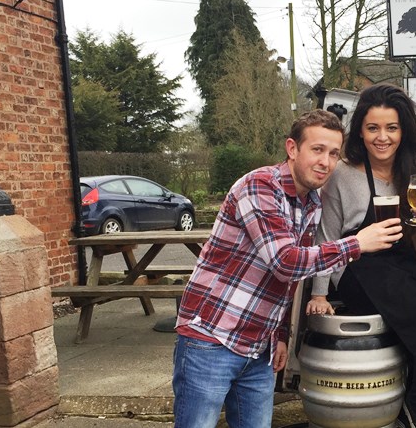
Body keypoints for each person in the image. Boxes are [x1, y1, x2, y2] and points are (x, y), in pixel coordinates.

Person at [172, 109, 403, 428]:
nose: (326, 161)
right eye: (317, 149)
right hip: (212, 336)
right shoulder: (261, 187)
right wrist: (356, 244)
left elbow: (283, 284)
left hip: (259, 347)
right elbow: (286, 262)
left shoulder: (311, 203)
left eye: (334, 153)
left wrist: (279, 336)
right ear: (292, 149)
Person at [307, 84, 416, 428]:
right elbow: (325, 235)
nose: (382, 137)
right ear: (360, 131)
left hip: (402, 262)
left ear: (404, 130)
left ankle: (405, 394)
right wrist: (319, 292)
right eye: (372, 128)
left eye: (391, 128)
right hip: (358, 269)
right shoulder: (343, 173)